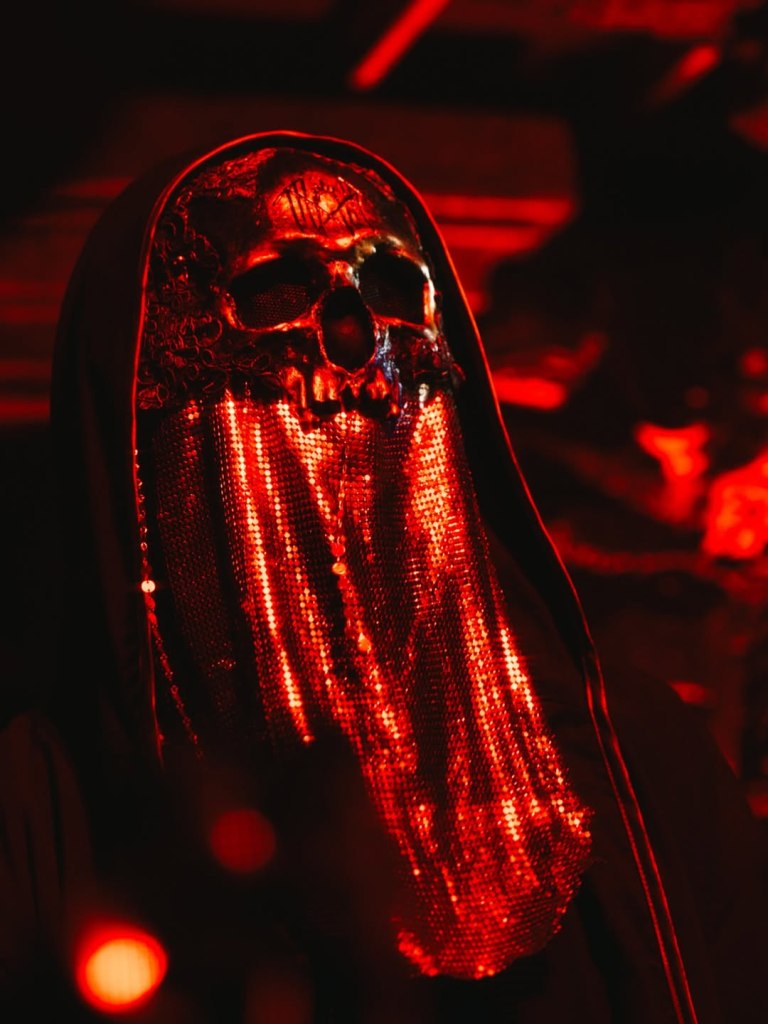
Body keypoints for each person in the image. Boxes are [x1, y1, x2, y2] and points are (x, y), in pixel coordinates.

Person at [1, 130, 766, 1022]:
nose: (355, 342)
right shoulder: (37, 813)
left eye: (394, 292)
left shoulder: (641, 762)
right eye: (278, 290)